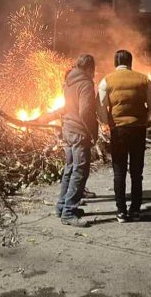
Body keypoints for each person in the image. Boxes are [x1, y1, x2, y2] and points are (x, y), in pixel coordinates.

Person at [98, 50, 151, 222]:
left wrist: (106, 122)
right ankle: (135, 210)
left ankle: (121, 211)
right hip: (138, 129)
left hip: (118, 130)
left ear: (115, 63)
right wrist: (145, 117)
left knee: (119, 172)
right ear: (130, 62)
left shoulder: (107, 80)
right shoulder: (143, 79)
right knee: (136, 171)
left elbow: (101, 107)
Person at [57, 54, 98, 227]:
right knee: (80, 172)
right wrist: (93, 131)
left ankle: (62, 206)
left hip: (67, 129)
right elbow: (85, 112)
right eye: (93, 70)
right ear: (89, 68)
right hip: (79, 132)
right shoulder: (86, 83)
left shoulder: (68, 82)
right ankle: (69, 212)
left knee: (69, 169)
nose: (94, 73)